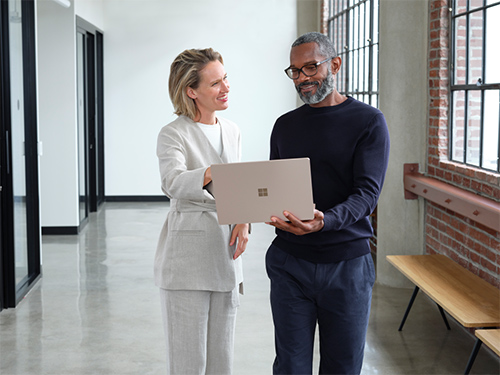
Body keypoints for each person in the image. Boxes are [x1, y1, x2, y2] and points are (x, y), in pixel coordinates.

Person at [265, 32, 390, 375]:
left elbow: (367, 194)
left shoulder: (368, 121)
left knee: (342, 366)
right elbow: (277, 186)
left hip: (346, 265)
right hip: (290, 262)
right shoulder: (284, 126)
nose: (303, 79)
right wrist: (267, 210)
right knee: (290, 365)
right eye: (295, 71)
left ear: (334, 64)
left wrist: (325, 220)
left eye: (310, 68)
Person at [154, 48, 249, 374]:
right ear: (191, 91)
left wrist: (244, 220)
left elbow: (240, 188)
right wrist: (211, 173)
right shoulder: (173, 133)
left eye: (225, 79)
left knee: (221, 357)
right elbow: (173, 183)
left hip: (226, 255)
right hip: (187, 259)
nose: (225, 88)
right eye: (215, 83)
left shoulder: (232, 130)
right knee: (188, 360)